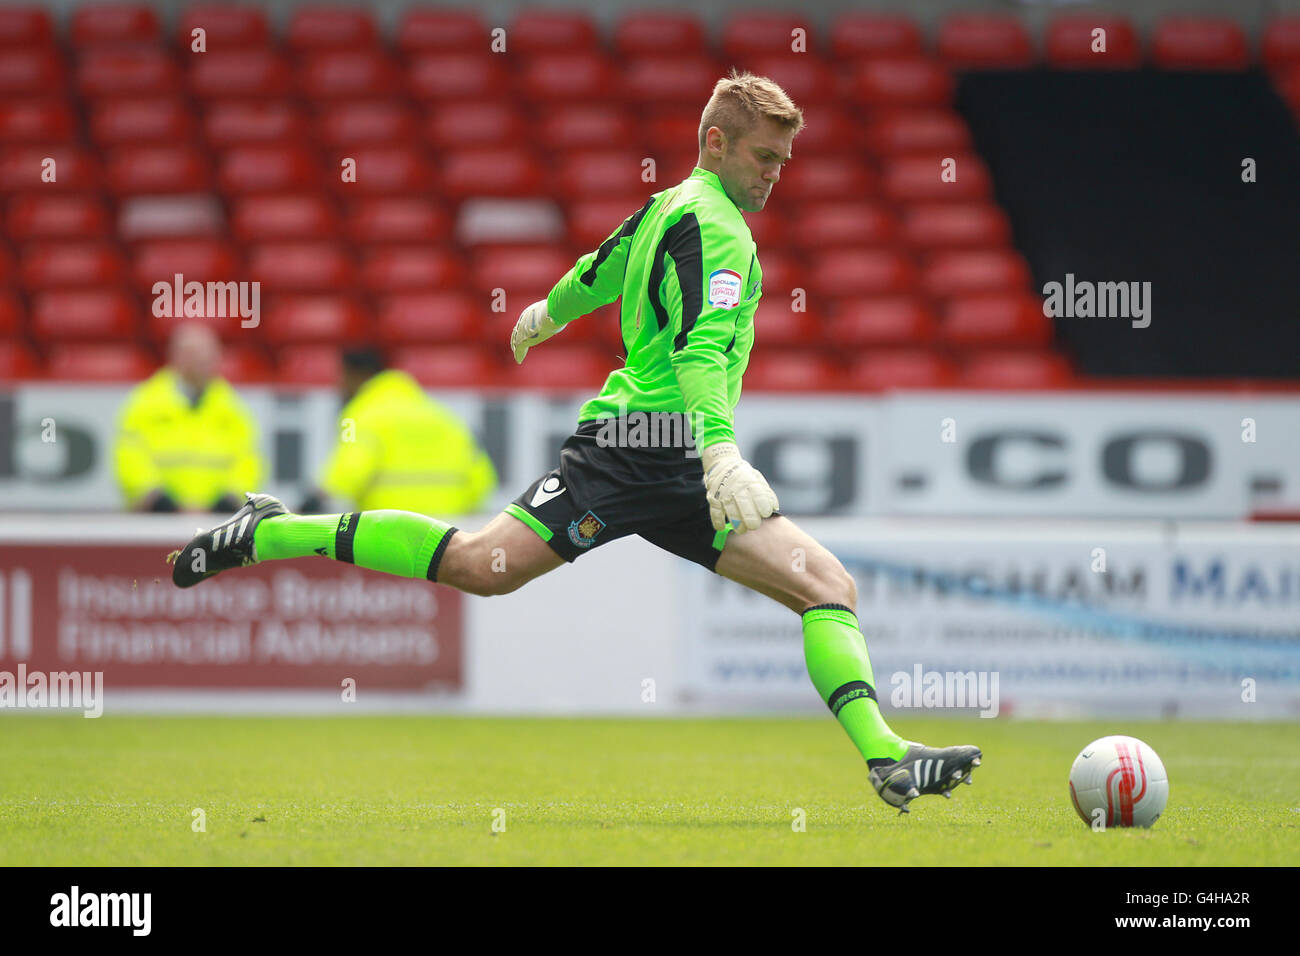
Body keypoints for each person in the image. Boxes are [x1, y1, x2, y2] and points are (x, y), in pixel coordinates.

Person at [169, 71, 980, 813]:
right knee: (481, 567)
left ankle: (885, 757)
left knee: (826, 586)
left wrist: (547, 314)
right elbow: (700, 349)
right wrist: (721, 451)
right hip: (639, 450)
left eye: (785, 160)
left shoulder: (667, 206)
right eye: (765, 157)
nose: (776, 173)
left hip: (665, 452)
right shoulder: (722, 230)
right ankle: (273, 530)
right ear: (715, 142)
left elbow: (600, 266)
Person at [298, 347, 496, 517]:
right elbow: (482, 481)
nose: (339, 386)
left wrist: (313, 502)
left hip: (390, 533)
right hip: (447, 531)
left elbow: (348, 470)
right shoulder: (444, 417)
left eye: (342, 377)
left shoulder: (360, 415)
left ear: (356, 375)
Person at [115, 322, 264, 513]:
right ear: (176, 356)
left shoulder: (233, 408)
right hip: (156, 518)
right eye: (195, 354)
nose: (204, 362)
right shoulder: (144, 405)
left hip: (219, 520)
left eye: (210, 355)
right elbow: (130, 458)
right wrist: (158, 500)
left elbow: (248, 461)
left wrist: (228, 500)